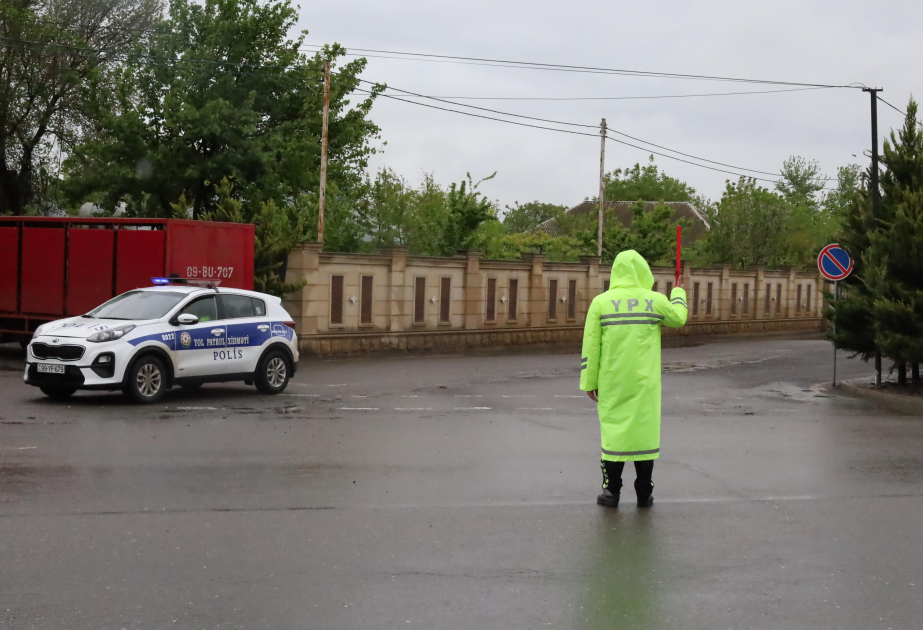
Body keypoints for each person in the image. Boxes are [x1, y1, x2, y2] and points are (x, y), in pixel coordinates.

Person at [580, 250, 687, 508]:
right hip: (644, 383)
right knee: (644, 436)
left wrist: (589, 381)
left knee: (612, 435)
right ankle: (644, 493)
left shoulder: (601, 303)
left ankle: (611, 492)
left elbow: (591, 346)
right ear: (643, 272)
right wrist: (679, 292)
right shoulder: (655, 300)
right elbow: (679, 318)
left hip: (612, 381)